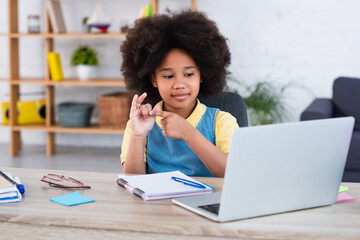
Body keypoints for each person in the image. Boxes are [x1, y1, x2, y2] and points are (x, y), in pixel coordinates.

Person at [120, 10, 239, 177]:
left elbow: (233, 175)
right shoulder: (139, 124)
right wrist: (139, 135)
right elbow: (131, 180)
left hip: (203, 203)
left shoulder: (221, 122)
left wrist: (188, 133)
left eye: (189, 74)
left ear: (202, 75)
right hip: (156, 203)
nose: (179, 84)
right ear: (154, 80)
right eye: (168, 76)